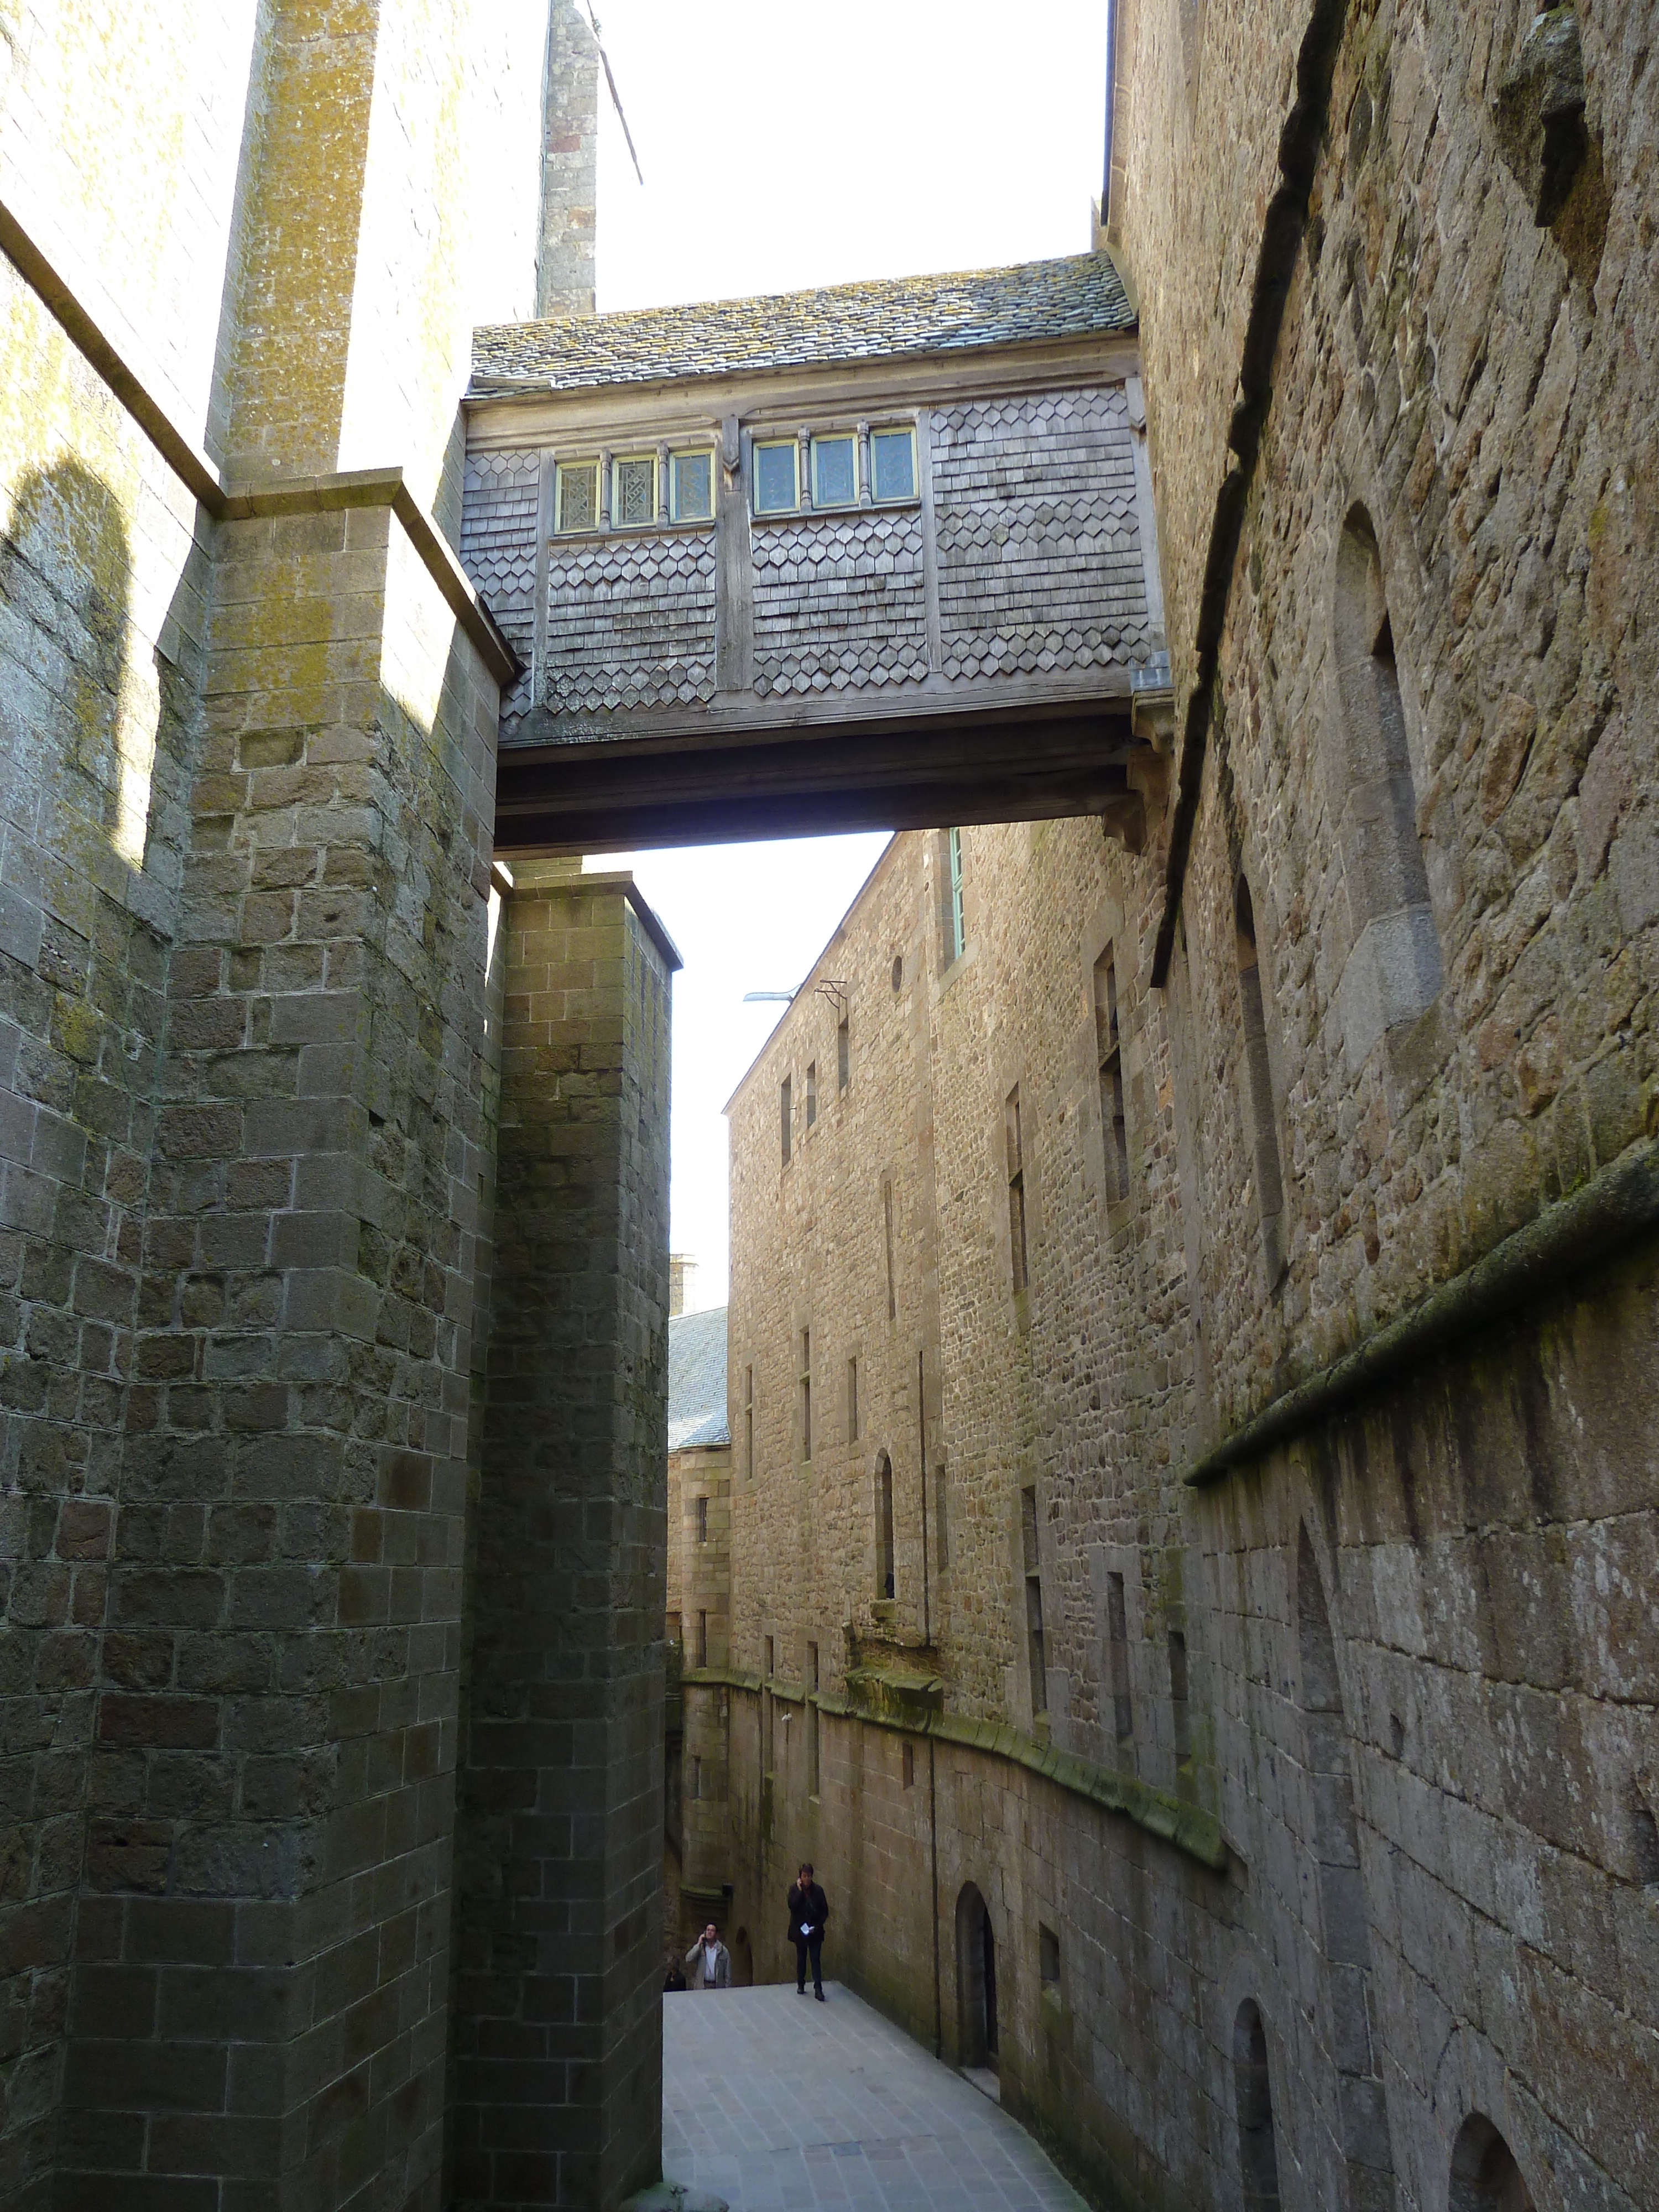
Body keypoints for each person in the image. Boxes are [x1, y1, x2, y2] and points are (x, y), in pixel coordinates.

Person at [787, 1862, 829, 1999]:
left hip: (814, 1931)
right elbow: (792, 1906)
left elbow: (824, 1911)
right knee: (801, 1958)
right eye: (804, 1876)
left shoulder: (818, 1891)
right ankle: (801, 1983)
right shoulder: (795, 1890)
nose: (807, 1879)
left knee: (815, 1959)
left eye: (809, 1876)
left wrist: (816, 1927)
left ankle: (818, 1988)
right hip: (800, 1932)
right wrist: (799, 1892)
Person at [684, 1921, 731, 1990]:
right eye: (708, 1930)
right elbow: (688, 1959)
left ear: (716, 1934)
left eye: (712, 1931)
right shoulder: (701, 1949)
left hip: (717, 1986)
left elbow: (728, 1974)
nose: (709, 1932)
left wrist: (728, 1989)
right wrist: (699, 1944)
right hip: (703, 1986)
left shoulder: (723, 1951)